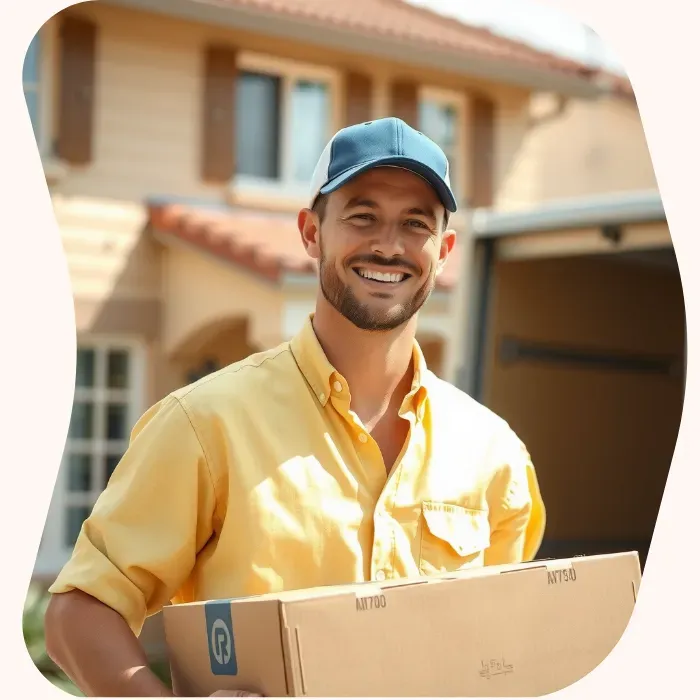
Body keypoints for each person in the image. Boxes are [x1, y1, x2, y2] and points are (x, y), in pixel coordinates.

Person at [44, 117, 545, 697]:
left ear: (444, 250)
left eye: (416, 224)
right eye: (362, 216)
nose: (389, 244)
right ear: (311, 232)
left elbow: (502, 644)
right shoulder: (204, 425)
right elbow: (80, 612)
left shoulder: (493, 451)